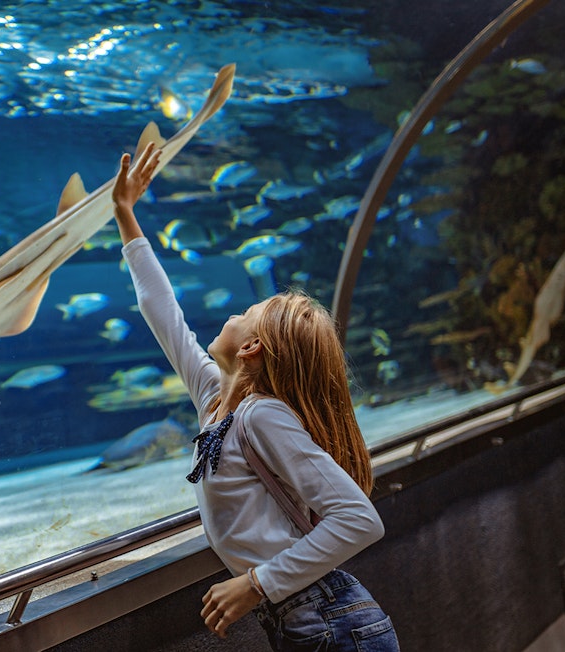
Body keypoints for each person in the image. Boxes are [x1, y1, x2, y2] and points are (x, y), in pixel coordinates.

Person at [110, 141, 400, 651]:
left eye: (247, 310)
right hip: (308, 619)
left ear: (251, 346)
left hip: (331, 619)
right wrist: (124, 214)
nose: (235, 310)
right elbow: (162, 312)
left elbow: (359, 519)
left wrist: (256, 583)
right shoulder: (215, 402)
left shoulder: (262, 415)